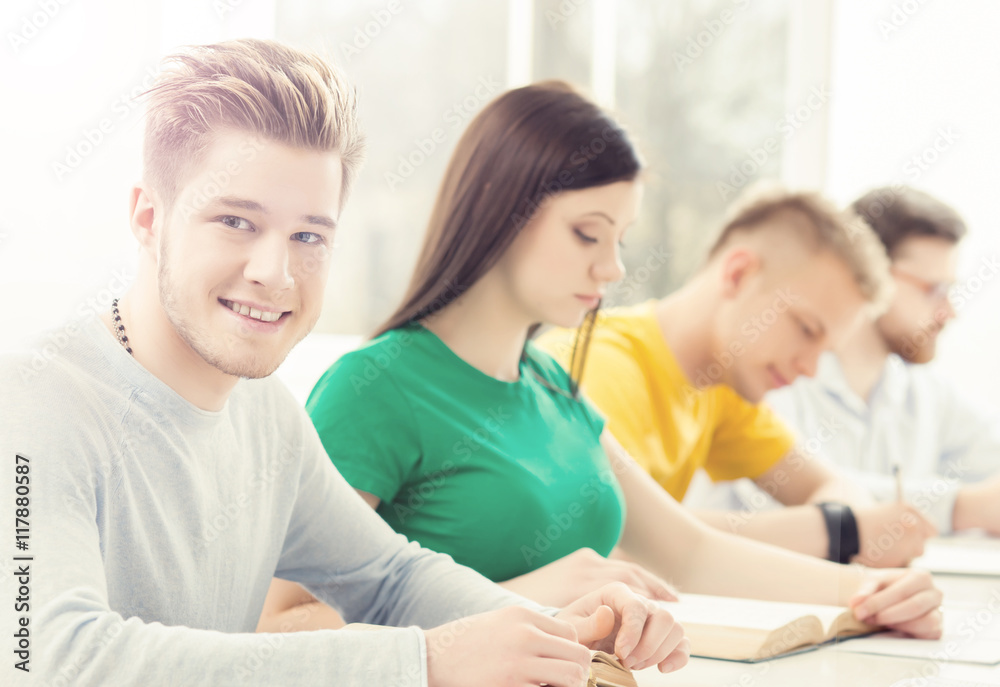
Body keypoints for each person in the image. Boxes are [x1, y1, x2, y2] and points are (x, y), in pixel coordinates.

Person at [0, 40, 689, 687]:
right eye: (236, 221)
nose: (275, 272)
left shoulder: (265, 413)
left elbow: (388, 576)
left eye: (308, 235)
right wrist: (420, 662)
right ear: (149, 218)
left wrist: (552, 633)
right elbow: (49, 657)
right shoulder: (35, 404)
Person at [261, 81, 943, 640]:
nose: (612, 265)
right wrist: (524, 595)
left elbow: (689, 552)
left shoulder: (550, 385)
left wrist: (871, 589)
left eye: (620, 237)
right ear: (503, 209)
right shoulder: (378, 387)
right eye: (588, 232)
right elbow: (276, 625)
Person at [537, 186, 937, 569]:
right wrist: (836, 532)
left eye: (825, 351)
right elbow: (616, 543)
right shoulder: (595, 366)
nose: (810, 368)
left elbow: (841, 491)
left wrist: (840, 527)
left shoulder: (721, 385)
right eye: (806, 329)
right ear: (739, 274)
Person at [765, 186, 1000, 543]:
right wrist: (961, 506)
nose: (949, 312)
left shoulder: (927, 394)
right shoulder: (779, 375)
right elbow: (792, 505)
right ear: (867, 272)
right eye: (933, 289)